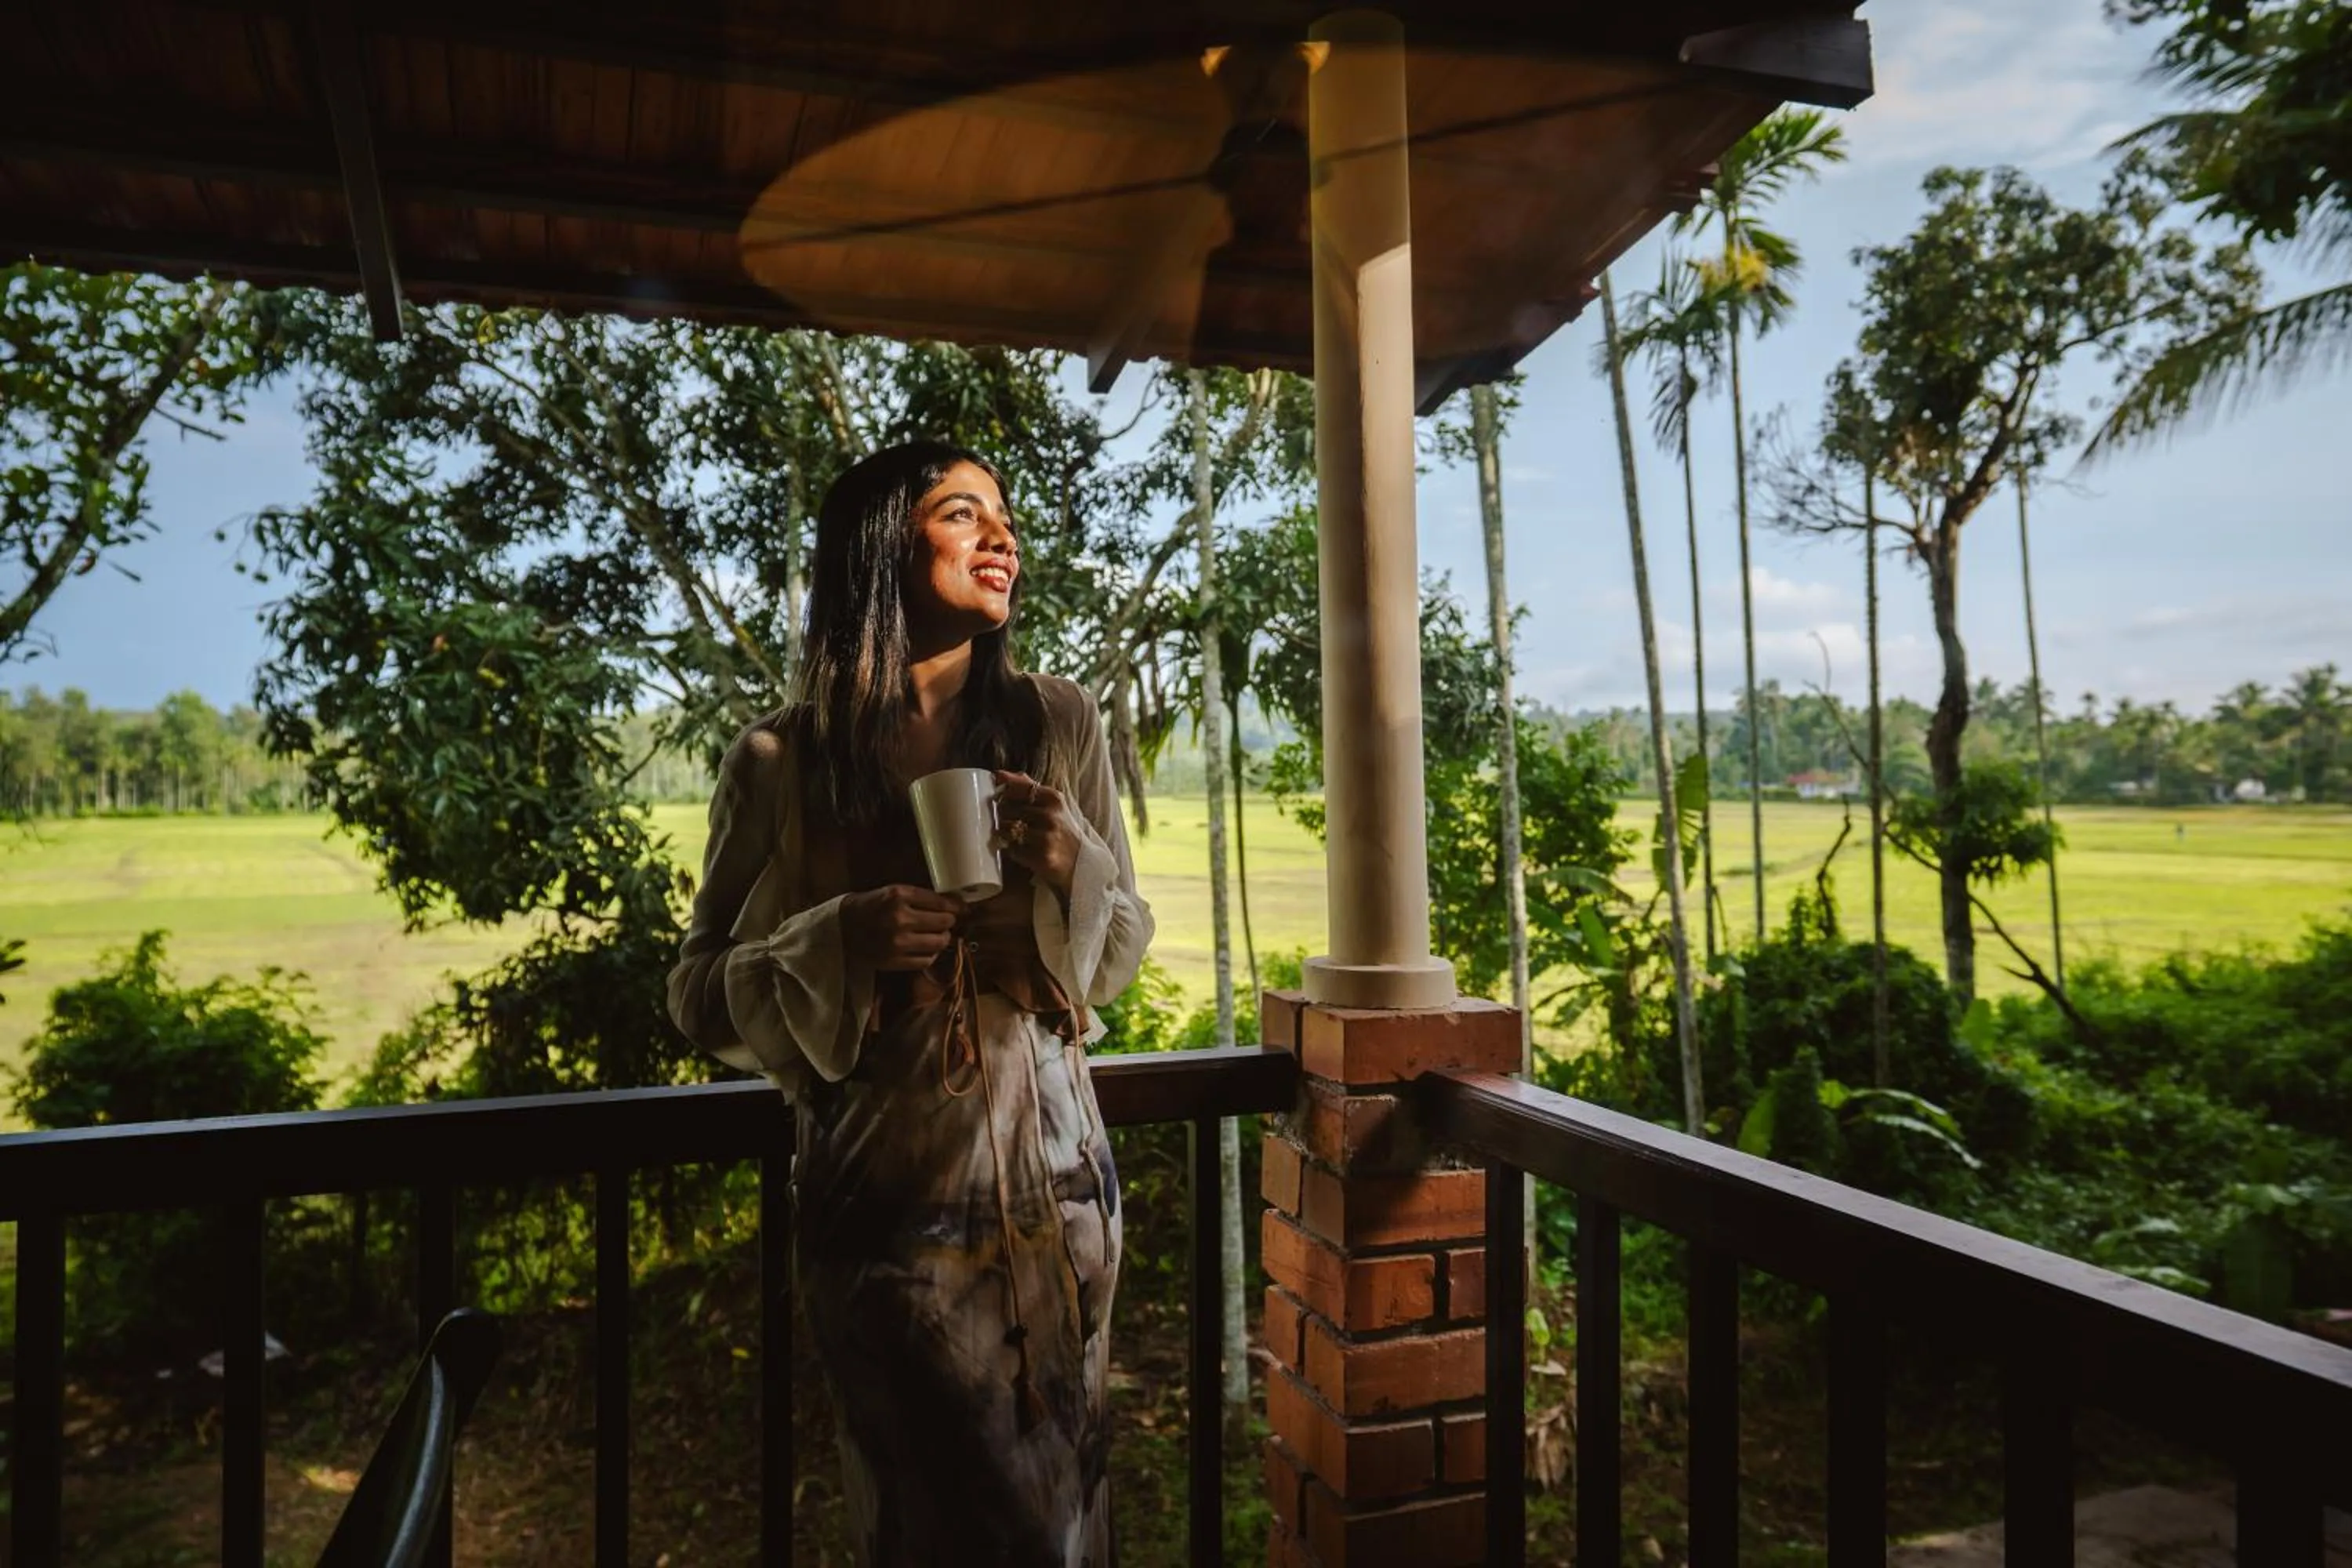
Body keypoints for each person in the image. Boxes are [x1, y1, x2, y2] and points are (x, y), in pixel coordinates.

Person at [666, 441, 1154, 1567]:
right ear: (882, 546)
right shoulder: (781, 763)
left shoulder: (1055, 723)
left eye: (1005, 517)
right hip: (885, 1215)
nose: (1002, 537)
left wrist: (1075, 861)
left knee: (1061, 1512)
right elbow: (695, 990)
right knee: (934, 1525)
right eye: (962, 513)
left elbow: (1122, 944)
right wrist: (838, 938)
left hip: (1062, 1189)